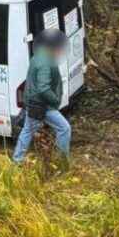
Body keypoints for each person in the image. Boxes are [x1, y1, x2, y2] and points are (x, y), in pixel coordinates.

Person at [12, 29, 71, 166]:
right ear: (53, 48)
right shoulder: (45, 62)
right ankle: (62, 161)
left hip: (33, 103)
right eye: (60, 48)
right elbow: (43, 87)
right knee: (64, 128)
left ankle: (17, 160)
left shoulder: (38, 56)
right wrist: (55, 100)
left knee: (27, 131)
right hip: (42, 105)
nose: (61, 51)